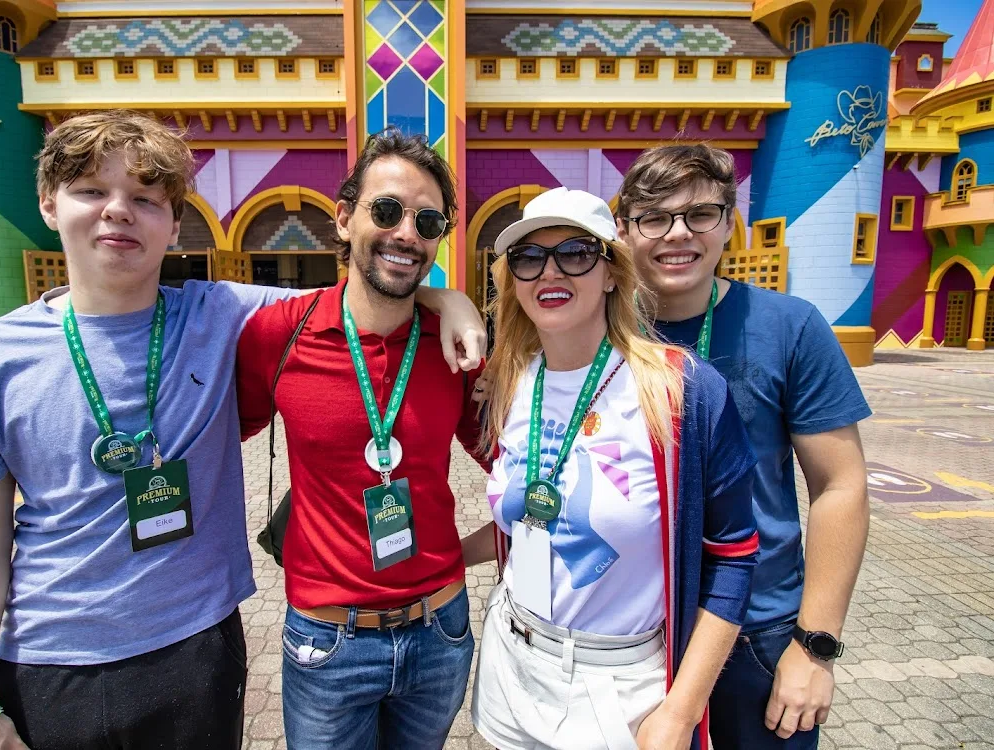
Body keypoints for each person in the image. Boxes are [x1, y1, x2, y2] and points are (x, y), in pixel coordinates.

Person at [0, 112, 485, 750]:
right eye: (91, 190)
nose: (118, 212)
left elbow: (377, 288)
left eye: (145, 199)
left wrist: (450, 299)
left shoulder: (219, 314)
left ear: (174, 224)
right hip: (52, 655)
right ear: (48, 204)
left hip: (198, 646)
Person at [461, 186, 760, 750]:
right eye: (528, 258)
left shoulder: (680, 390)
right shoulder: (512, 382)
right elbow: (530, 520)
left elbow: (734, 558)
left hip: (619, 689)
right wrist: (444, 559)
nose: (549, 272)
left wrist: (682, 710)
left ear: (611, 272)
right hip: (510, 661)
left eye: (574, 253)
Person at [235, 128, 488, 750]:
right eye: (386, 211)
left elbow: (512, 464)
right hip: (326, 640)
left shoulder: (457, 346)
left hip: (442, 629)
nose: (407, 232)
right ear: (345, 219)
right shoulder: (279, 335)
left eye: (427, 221)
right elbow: (209, 435)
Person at [615, 144, 871, 749]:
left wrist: (815, 648)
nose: (678, 234)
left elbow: (840, 485)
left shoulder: (790, 326)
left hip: (757, 635)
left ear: (729, 222)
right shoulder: (601, 331)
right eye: (654, 217)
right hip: (630, 634)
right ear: (624, 231)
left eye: (700, 214)